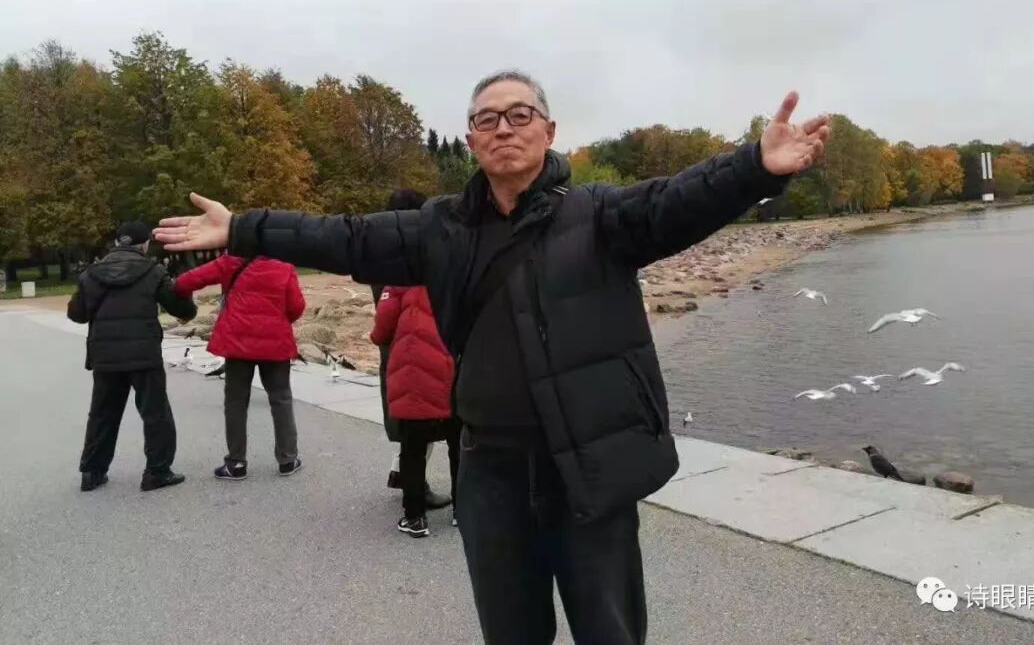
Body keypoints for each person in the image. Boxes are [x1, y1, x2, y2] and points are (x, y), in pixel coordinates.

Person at [155, 72, 830, 644]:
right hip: (491, 470)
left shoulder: (601, 216)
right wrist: (242, 227)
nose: (504, 128)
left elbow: (680, 200)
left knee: (610, 629)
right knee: (511, 631)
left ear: (549, 130)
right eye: (487, 119)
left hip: (587, 466)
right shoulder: (441, 228)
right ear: (472, 139)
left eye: (519, 115)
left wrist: (755, 167)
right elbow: (345, 237)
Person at [68, 221, 196, 492]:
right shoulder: (153, 271)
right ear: (145, 244)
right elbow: (181, 308)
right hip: (143, 353)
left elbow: (76, 314)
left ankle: (92, 472)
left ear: (117, 242)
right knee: (155, 413)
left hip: (105, 354)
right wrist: (188, 294)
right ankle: (157, 472)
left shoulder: (91, 273)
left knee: (102, 414)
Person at [173, 253, 306, 479]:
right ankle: (288, 459)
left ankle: (236, 463)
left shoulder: (229, 262)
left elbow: (185, 282)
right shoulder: (284, 266)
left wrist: (183, 304)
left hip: (237, 342)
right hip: (275, 342)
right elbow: (297, 306)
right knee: (281, 399)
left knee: (235, 402)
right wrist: (275, 320)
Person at [374, 188, 451, 511]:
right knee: (427, 415)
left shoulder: (378, 251)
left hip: (393, 343)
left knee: (407, 416)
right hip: (422, 343)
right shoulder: (418, 255)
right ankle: (414, 488)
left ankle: (401, 473)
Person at [370, 274, 461, 537]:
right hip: (450, 370)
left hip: (413, 375)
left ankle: (415, 517)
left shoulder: (399, 279)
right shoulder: (454, 276)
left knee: (413, 449)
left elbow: (382, 329)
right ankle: (462, 510)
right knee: (458, 446)